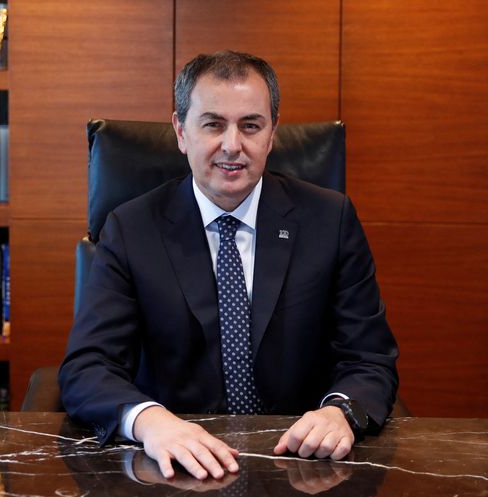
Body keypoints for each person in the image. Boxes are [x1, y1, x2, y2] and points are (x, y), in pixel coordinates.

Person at [59, 50, 399, 482]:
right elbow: (87, 366)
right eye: (213, 124)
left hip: (300, 466)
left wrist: (339, 411)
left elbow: (369, 356)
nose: (232, 145)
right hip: (173, 467)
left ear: (272, 134)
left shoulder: (329, 220)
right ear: (181, 132)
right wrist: (150, 421)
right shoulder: (131, 228)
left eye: (251, 125)